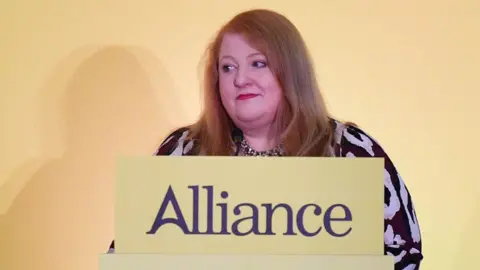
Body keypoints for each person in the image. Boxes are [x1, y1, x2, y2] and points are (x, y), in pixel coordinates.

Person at [108, 8, 423, 270]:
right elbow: (128, 252)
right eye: (228, 68)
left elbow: (403, 255)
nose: (240, 78)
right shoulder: (183, 151)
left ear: (290, 71)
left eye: (257, 63)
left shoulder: (349, 151)